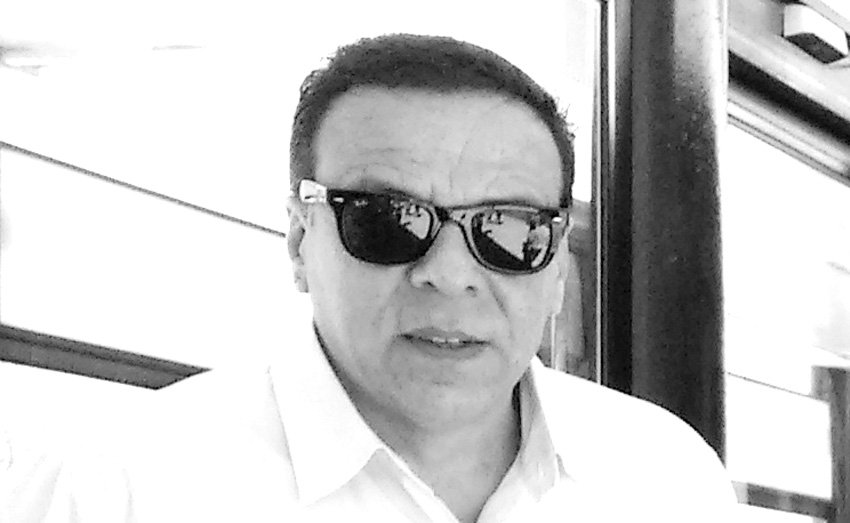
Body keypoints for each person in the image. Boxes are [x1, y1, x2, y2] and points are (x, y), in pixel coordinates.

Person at [1, 34, 737, 522]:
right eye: (389, 221)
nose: (449, 275)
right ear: (299, 240)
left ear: (556, 267)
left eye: (508, 230)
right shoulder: (111, 489)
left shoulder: (664, 479)